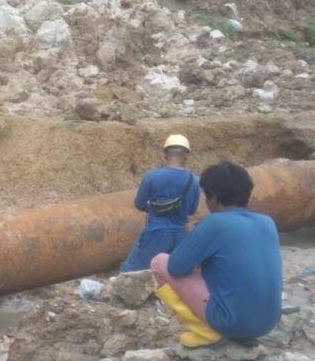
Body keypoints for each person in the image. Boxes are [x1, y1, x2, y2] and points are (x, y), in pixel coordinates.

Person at [150, 162, 282, 348]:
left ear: (215, 197)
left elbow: (175, 268)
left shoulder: (214, 223)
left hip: (232, 322)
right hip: (267, 323)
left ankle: (206, 332)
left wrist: (192, 238)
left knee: (159, 262)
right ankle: (237, 334)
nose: (205, 201)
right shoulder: (267, 222)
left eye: (206, 195)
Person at [120, 134, 200, 272]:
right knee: (172, 275)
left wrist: (155, 208)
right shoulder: (195, 181)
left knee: (132, 271)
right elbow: (191, 211)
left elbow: (139, 204)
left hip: (155, 233)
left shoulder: (152, 176)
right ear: (186, 154)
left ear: (165, 153)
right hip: (180, 236)